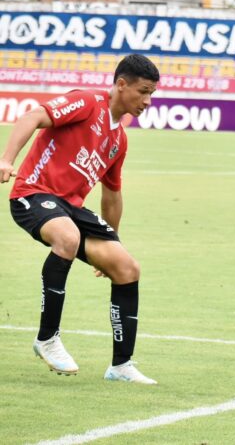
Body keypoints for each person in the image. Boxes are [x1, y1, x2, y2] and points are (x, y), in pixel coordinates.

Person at [0, 54, 160, 384]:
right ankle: (47, 338)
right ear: (121, 84)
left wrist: (110, 244)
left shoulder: (119, 140)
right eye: (143, 91)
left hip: (70, 209)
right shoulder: (87, 103)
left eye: (151, 94)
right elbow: (33, 116)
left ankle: (121, 366)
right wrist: (6, 159)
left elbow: (112, 195)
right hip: (33, 193)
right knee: (68, 237)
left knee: (127, 267)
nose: (147, 100)